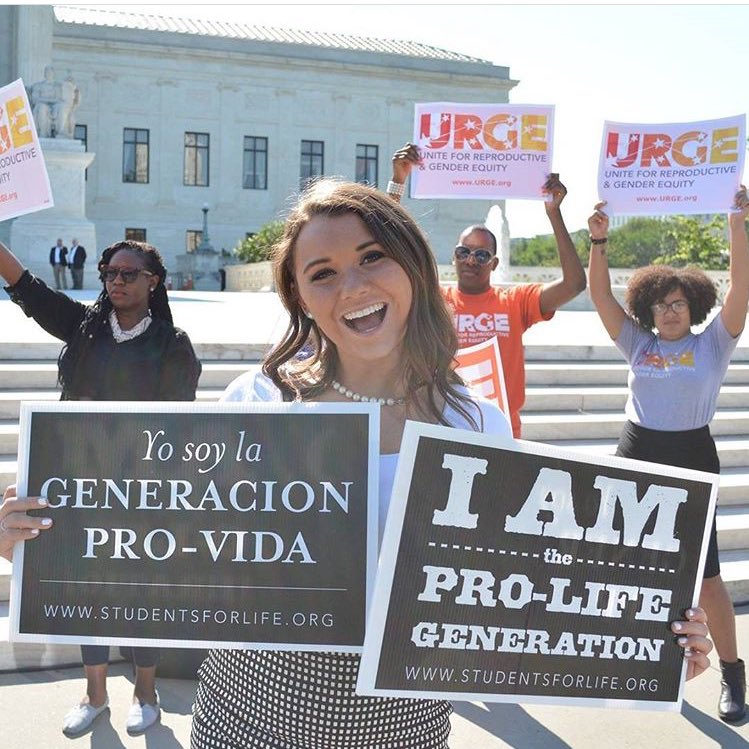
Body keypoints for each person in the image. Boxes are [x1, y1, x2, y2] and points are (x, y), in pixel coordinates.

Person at [189, 178, 712, 748]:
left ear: (414, 267)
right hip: (249, 715)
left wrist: (652, 633)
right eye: (323, 273)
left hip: (404, 729)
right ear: (299, 295)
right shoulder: (256, 403)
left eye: (372, 257)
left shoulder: (477, 425)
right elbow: (194, 558)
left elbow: (518, 587)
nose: (353, 286)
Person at [0, 237, 202, 736]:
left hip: (142, 491)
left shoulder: (172, 345)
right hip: (80, 483)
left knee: (143, 593)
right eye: (110, 272)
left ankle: (146, 693)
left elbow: (180, 429)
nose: (116, 281)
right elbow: (27, 288)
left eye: (129, 274)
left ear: (154, 281)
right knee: (87, 589)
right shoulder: (83, 327)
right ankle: (94, 696)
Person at [587, 188, 749, 723]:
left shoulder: (714, 342)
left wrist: (736, 222)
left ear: (693, 306)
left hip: (692, 456)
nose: (669, 311)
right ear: (648, 308)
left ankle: (732, 673)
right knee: (630, 565)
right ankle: (636, 664)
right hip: (638, 451)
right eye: (660, 304)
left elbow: (741, 286)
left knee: (706, 576)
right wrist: (598, 240)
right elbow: (600, 297)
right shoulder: (639, 343)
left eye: (678, 303)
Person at [388, 143, 587, 437]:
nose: (471, 260)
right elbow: (390, 258)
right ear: (454, 257)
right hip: (444, 424)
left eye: (482, 255)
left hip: (501, 428)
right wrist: (397, 183)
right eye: (464, 252)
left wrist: (553, 213)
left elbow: (574, 284)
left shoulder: (515, 302)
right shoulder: (435, 300)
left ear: (494, 264)